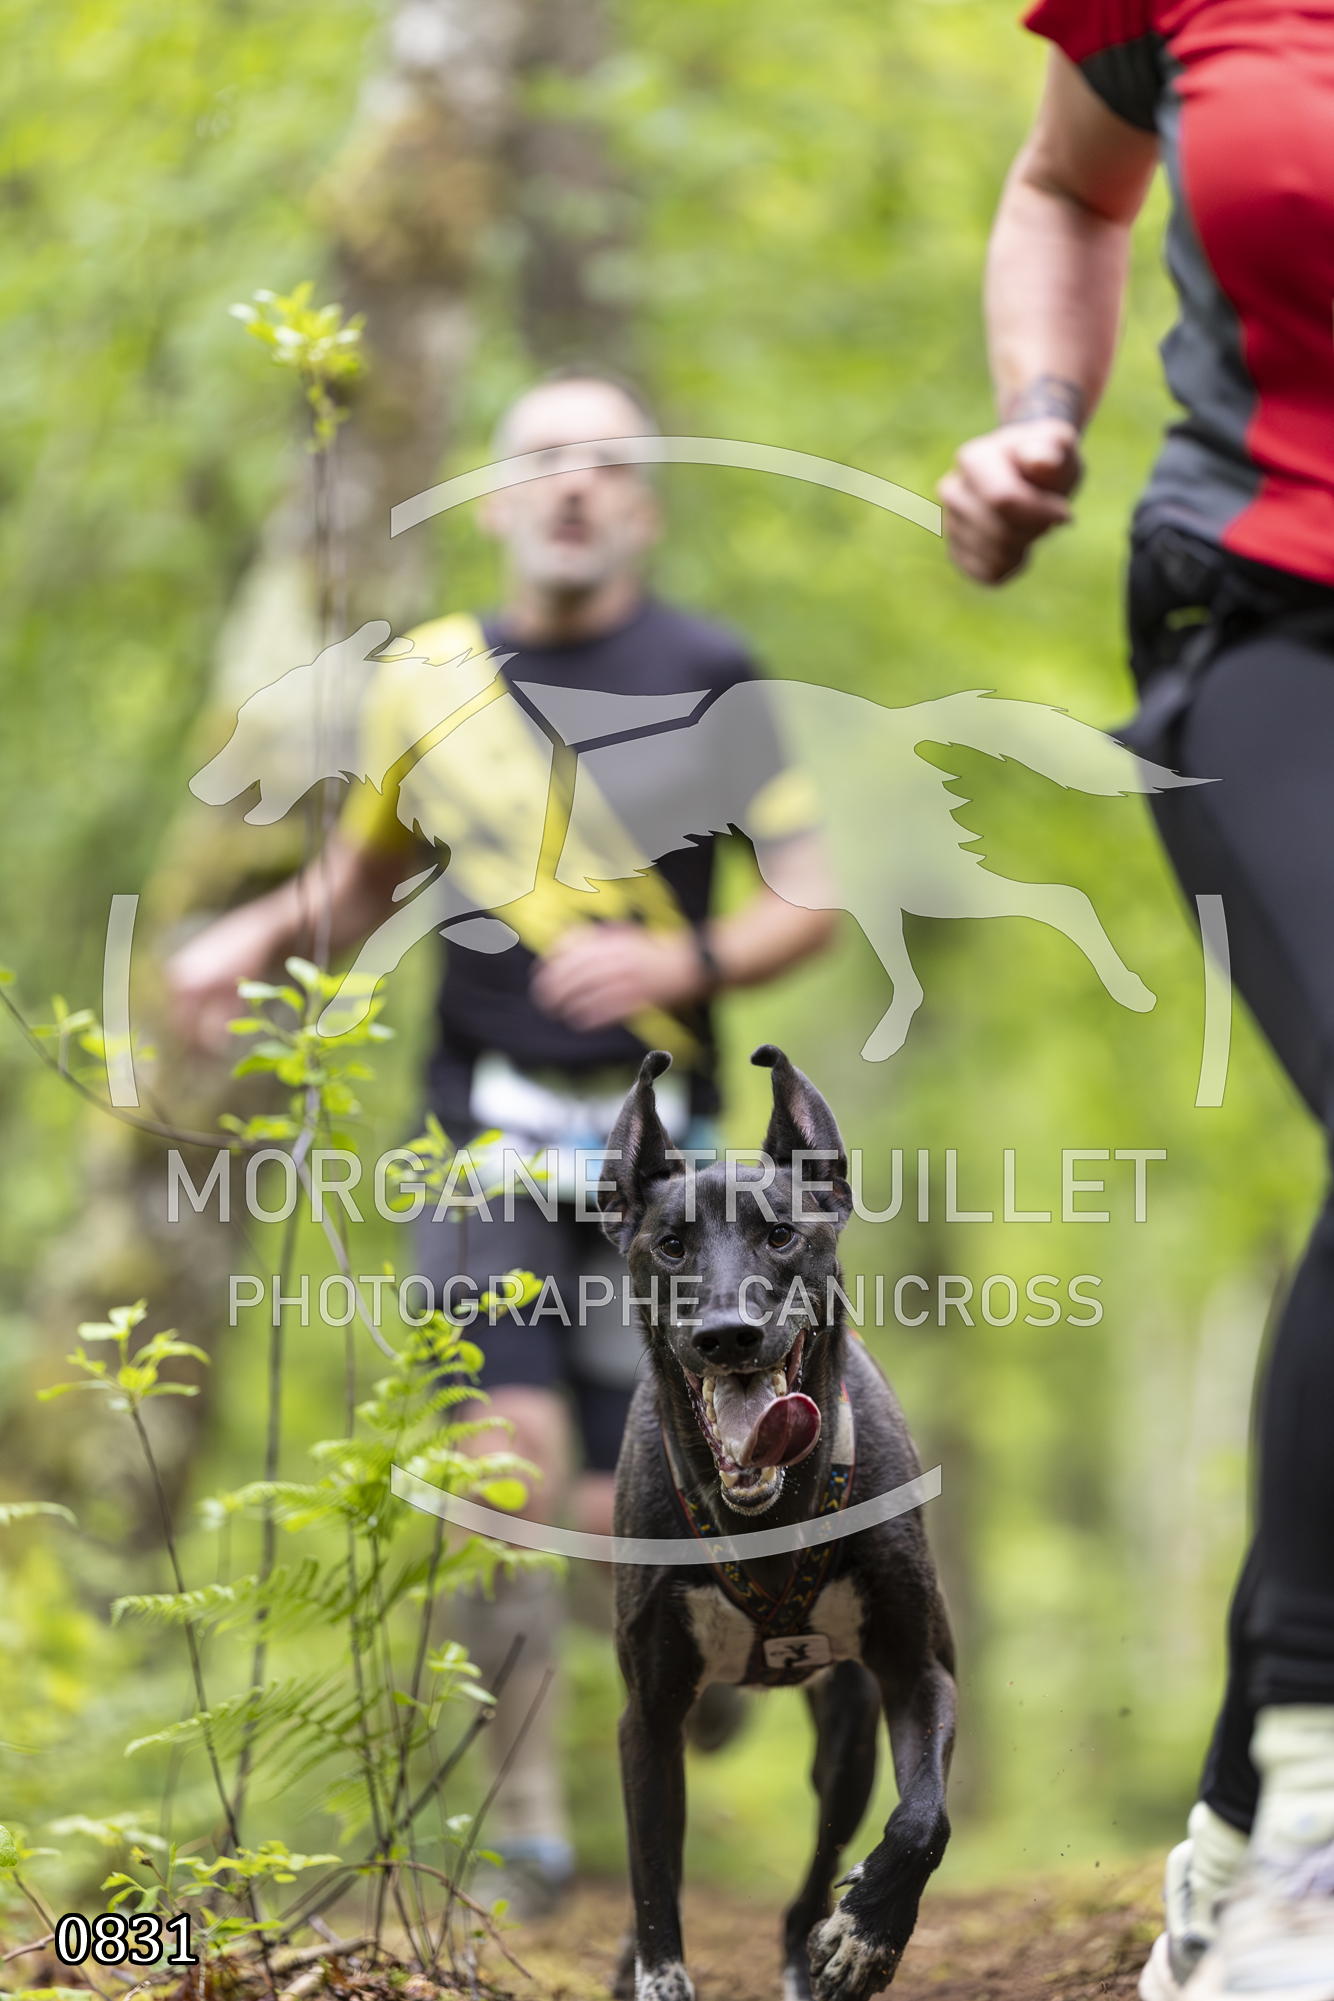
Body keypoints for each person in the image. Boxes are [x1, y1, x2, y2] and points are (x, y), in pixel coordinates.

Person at [169, 370, 835, 1912]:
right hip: (478, 1132)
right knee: (502, 1468)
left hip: (663, 1166)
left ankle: (705, 1628)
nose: (571, 485)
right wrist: (240, 942)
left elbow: (813, 891)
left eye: (603, 462)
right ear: (495, 500)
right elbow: (361, 881)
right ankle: (524, 1826)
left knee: (641, 1495)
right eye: (541, 459)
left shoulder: (710, 672)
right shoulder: (430, 680)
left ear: (642, 504)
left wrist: (681, 959)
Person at [940, 12, 1334, 1999]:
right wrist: (1036, 408)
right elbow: (1062, 186)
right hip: (1269, 605)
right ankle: (1318, 1822)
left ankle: (1240, 1835)